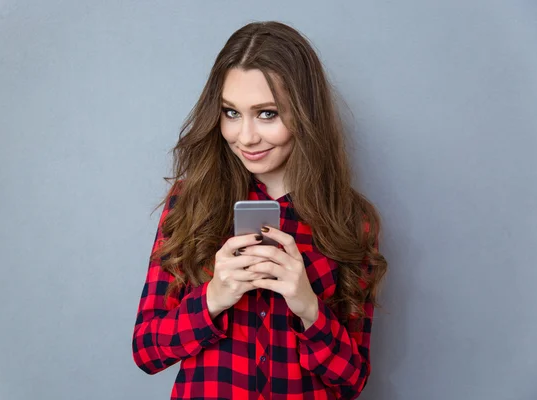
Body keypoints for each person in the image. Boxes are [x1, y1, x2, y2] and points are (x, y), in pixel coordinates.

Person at [132, 20, 388, 400]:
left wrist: (309, 307)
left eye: (267, 113)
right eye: (231, 113)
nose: (246, 136)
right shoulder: (190, 202)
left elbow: (353, 380)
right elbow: (147, 351)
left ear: (304, 113)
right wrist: (214, 297)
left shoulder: (351, 220)